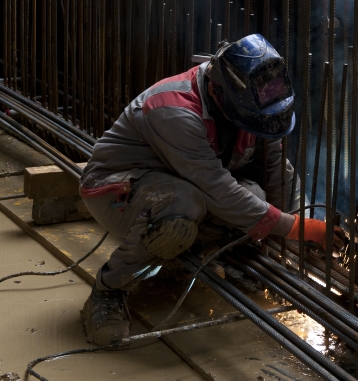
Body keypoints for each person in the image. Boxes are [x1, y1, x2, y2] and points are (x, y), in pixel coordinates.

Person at [79, 34, 335, 345]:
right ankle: (108, 292)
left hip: (187, 188)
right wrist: (296, 228)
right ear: (220, 93)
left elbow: (277, 171)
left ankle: (185, 253)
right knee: (182, 206)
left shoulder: (256, 101)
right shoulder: (174, 110)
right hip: (118, 193)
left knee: (254, 198)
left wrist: (305, 223)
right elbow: (218, 191)